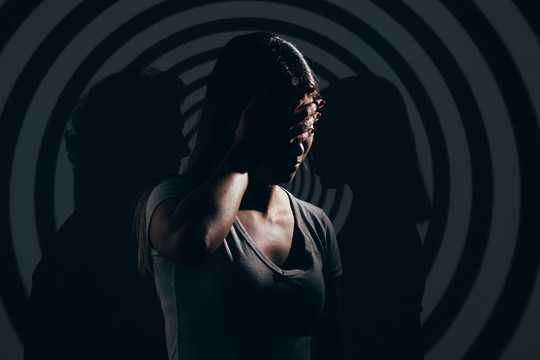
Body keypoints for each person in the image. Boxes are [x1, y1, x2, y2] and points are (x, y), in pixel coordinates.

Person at [137, 32, 343, 360]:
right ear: (241, 120)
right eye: (288, 127)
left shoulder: (316, 224)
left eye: (308, 126)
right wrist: (243, 151)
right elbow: (194, 241)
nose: (301, 144)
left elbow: (331, 342)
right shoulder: (173, 202)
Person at [27, 67, 189, 360]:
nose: (184, 149)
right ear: (133, 144)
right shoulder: (82, 259)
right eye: (169, 133)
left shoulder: (72, 249)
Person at [311, 75, 430, 359]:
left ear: (354, 139)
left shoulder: (379, 236)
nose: (310, 149)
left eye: (321, 132)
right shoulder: (388, 224)